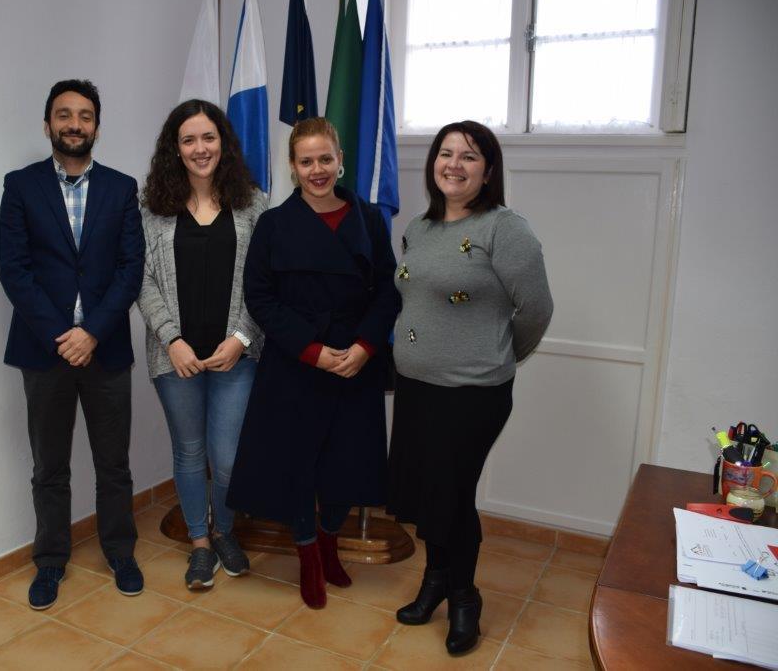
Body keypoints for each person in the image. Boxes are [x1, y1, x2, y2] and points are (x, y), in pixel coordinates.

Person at [387, 120, 553, 654]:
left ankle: (463, 597)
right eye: (446, 153)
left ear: (488, 171)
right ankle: (434, 582)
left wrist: (500, 355)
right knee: (429, 492)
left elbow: (536, 310)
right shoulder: (419, 227)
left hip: (472, 395)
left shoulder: (505, 228)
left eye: (470, 156)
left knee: (452, 496)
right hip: (415, 387)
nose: (454, 165)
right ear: (433, 162)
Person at [227, 117, 399, 609]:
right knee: (296, 466)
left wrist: (365, 347)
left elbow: (388, 289)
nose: (318, 170)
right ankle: (306, 554)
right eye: (307, 161)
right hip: (296, 361)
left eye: (326, 159)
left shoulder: (368, 219)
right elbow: (260, 298)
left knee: (349, 463)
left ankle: (328, 540)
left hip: (354, 361)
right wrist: (310, 350)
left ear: (340, 159)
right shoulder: (274, 224)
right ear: (293, 166)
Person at [0, 79, 145, 610]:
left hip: (104, 349)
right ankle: (51, 562)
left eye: (84, 116)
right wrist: (64, 337)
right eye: (64, 115)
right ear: (47, 125)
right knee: (49, 467)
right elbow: (15, 272)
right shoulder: (20, 186)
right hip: (44, 351)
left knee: (114, 465)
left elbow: (131, 270)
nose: (74, 124)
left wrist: (93, 332)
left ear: (97, 128)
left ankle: (121, 553)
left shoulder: (123, 188)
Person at [137, 99, 266, 589]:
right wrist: (172, 340)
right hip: (177, 359)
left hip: (237, 355)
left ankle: (226, 528)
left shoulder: (254, 203)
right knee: (189, 453)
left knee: (228, 456)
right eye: (188, 139)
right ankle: (199, 543)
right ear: (175, 147)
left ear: (223, 143)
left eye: (208, 137)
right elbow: (143, 281)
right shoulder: (151, 209)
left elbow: (263, 280)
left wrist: (241, 337)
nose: (199, 148)